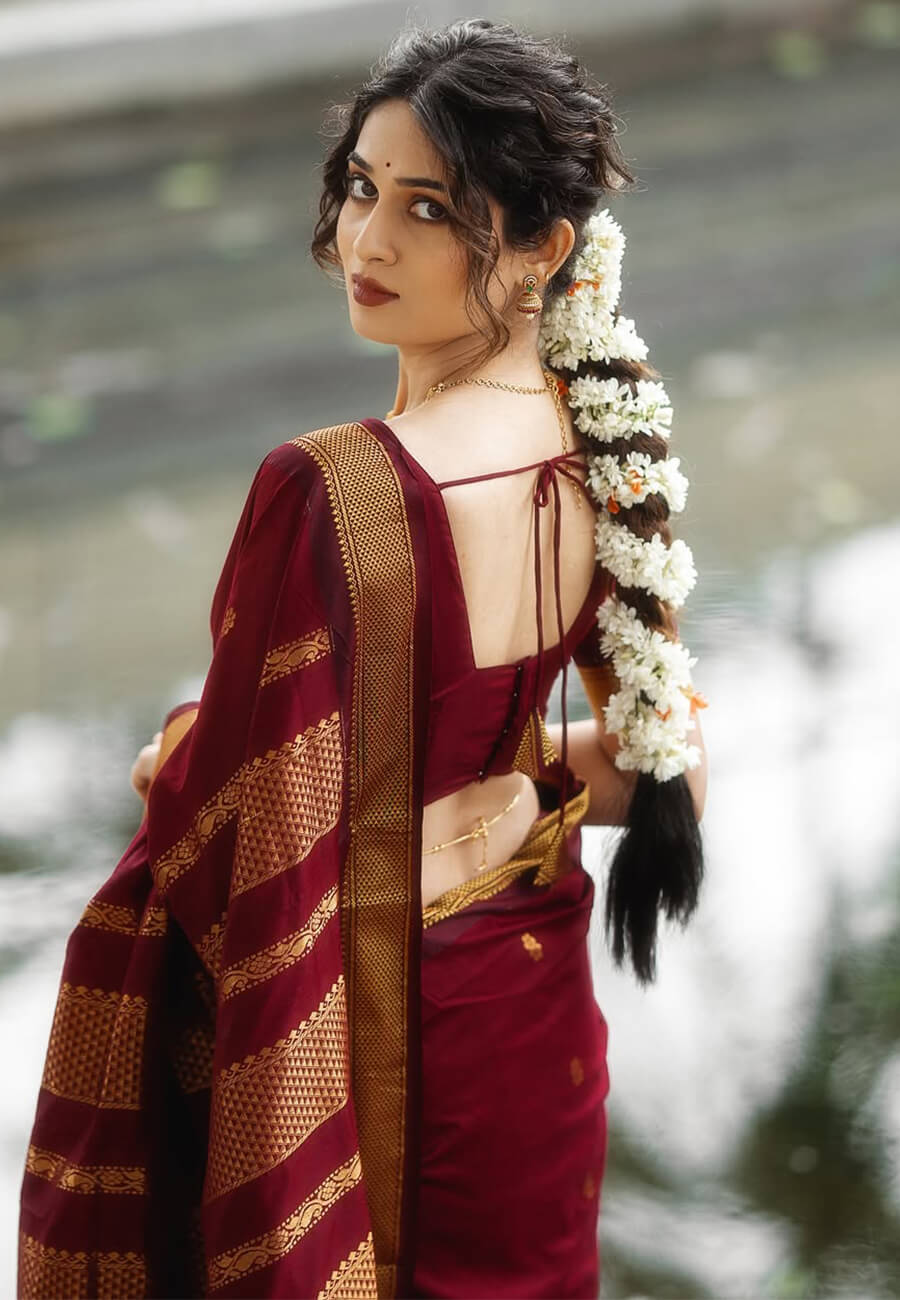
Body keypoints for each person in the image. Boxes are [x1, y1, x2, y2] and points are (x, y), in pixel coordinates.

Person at [18, 18, 708, 1300]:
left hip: (392, 1031)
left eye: (431, 209)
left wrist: (169, 752)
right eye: (359, 188)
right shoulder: (602, 432)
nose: (367, 242)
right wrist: (491, 777)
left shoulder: (338, 489)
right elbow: (660, 773)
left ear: (544, 248)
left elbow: (232, 822)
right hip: (535, 1003)